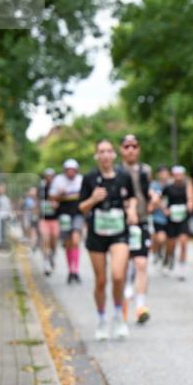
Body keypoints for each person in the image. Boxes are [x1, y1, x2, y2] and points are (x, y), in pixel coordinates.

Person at [79, 140, 137, 341]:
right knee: (101, 281)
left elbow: (131, 198)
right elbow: (81, 207)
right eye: (101, 151)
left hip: (119, 232)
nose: (105, 155)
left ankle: (119, 316)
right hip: (97, 234)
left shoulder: (123, 176)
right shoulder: (89, 178)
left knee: (118, 276)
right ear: (97, 156)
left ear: (114, 155)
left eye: (108, 151)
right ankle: (102, 318)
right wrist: (93, 199)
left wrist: (131, 211)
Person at [118, 134, 153, 324]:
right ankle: (121, 304)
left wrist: (153, 200)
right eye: (127, 146)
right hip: (120, 223)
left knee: (141, 264)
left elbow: (147, 193)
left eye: (134, 145)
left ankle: (140, 306)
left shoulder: (146, 170)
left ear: (138, 149)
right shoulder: (116, 171)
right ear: (121, 150)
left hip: (142, 220)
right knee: (121, 266)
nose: (131, 149)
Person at [51, 159, 85, 284]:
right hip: (64, 214)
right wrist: (60, 195)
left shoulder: (81, 180)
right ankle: (70, 270)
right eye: (68, 170)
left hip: (77, 213)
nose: (70, 172)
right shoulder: (58, 180)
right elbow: (52, 197)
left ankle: (75, 270)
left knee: (76, 240)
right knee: (68, 243)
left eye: (73, 170)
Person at [161, 165, 193, 280]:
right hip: (172, 218)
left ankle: (182, 269)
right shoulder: (168, 187)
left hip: (183, 218)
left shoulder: (187, 187)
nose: (179, 177)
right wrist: (165, 209)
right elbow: (161, 199)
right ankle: (167, 260)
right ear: (173, 175)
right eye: (177, 174)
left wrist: (190, 204)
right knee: (171, 244)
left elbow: (191, 199)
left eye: (181, 174)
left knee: (184, 242)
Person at [38, 168, 59, 276]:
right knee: (45, 240)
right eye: (47, 176)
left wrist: (57, 205)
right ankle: (46, 263)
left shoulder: (57, 188)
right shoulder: (41, 189)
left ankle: (52, 256)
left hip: (55, 220)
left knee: (54, 242)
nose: (49, 178)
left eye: (51, 176)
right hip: (44, 220)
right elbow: (37, 202)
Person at [149, 165, 170, 266]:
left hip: (171, 217)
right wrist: (163, 208)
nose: (164, 175)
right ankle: (157, 252)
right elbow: (155, 199)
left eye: (165, 172)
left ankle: (166, 259)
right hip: (158, 216)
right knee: (160, 238)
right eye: (162, 173)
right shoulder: (154, 185)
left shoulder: (171, 184)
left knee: (169, 240)